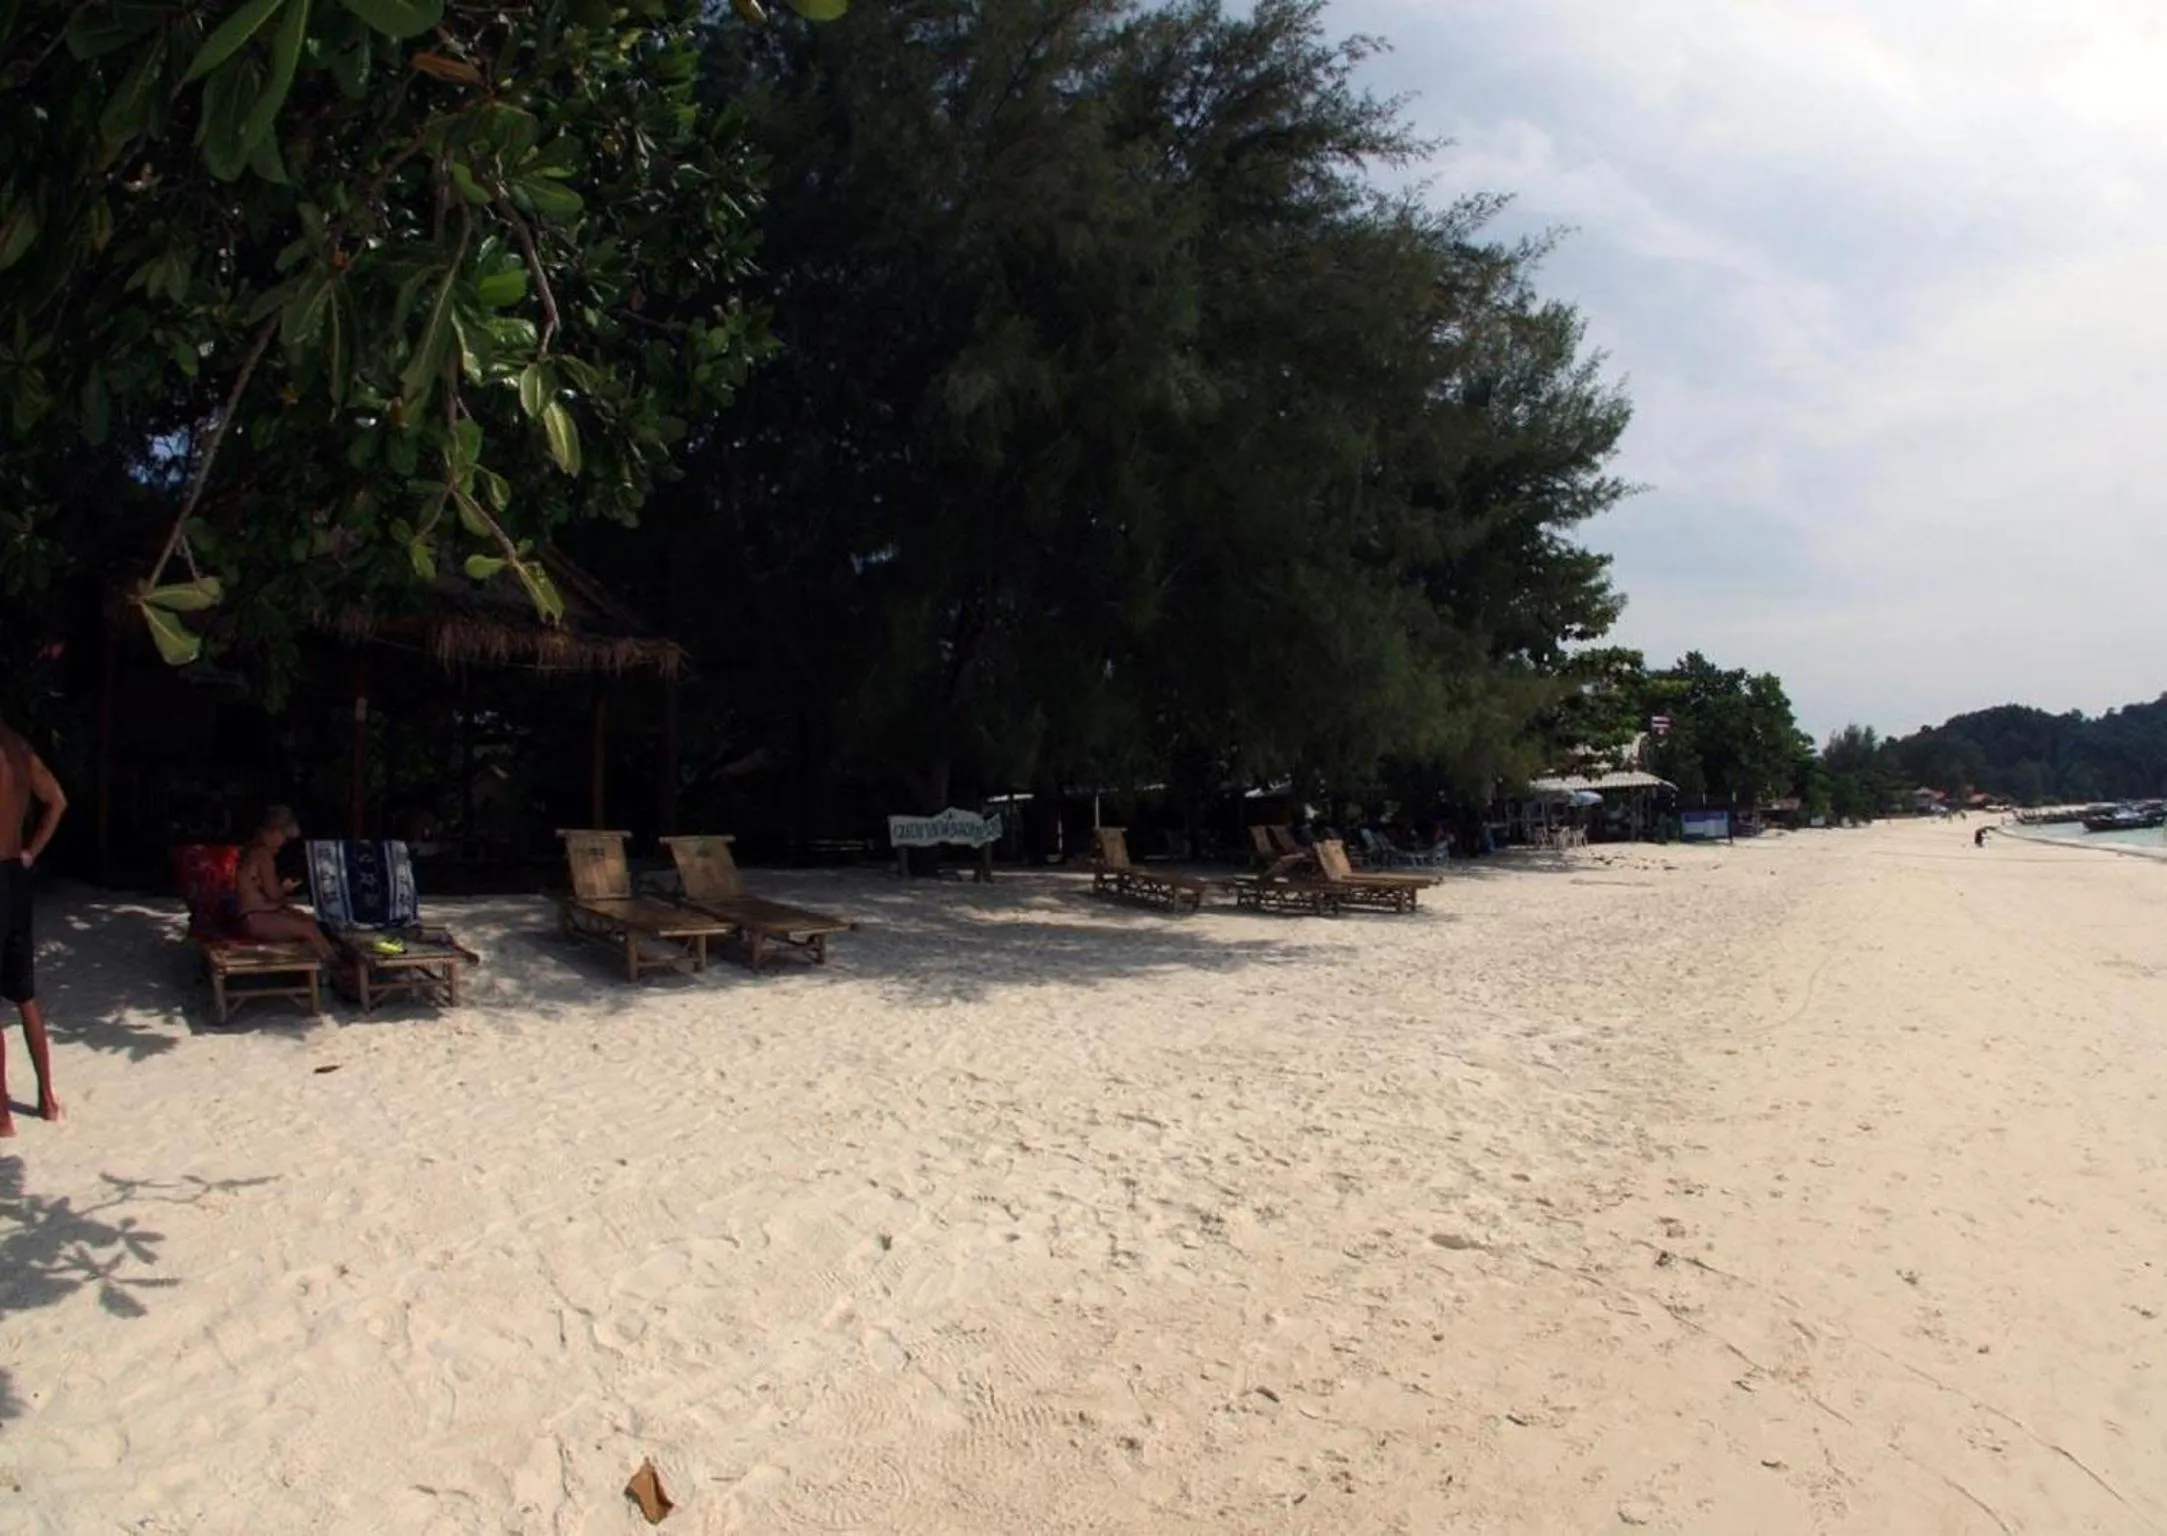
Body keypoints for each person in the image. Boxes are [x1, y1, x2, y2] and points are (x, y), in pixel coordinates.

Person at [0, 714, 66, 1134]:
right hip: (15, 877)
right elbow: (57, 800)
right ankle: (46, 1099)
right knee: (25, 994)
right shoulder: (18, 747)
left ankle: (3, 1117)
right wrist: (30, 851)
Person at [236, 806, 336, 962]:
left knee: (308, 920)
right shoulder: (263, 855)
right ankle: (336, 967)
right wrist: (286, 888)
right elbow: (273, 894)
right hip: (256, 919)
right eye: (284, 837)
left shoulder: (254, 851)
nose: (283, 843)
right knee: (308, 928)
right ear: (274, 831)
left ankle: (326, 966)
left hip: (257, 915)